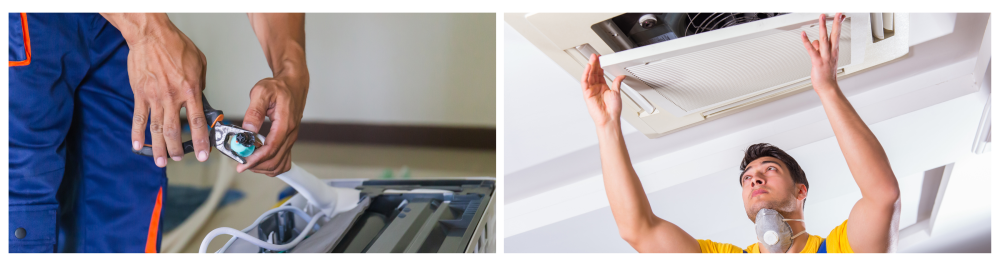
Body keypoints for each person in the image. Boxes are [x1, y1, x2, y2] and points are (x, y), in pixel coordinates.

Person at [580, 13, 901, 253]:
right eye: (747, 177)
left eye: (769, 170)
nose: (754, 180)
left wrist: (828, 89)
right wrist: (607, 127)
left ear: (801, 191)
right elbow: (638, 229)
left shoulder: (837, 251)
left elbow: (882, 196)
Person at [8, 13, 309, 253]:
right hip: (30, 23)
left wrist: (291, 70)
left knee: (125, 206)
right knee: (22, 209)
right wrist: (148, 29)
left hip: (119, 34)